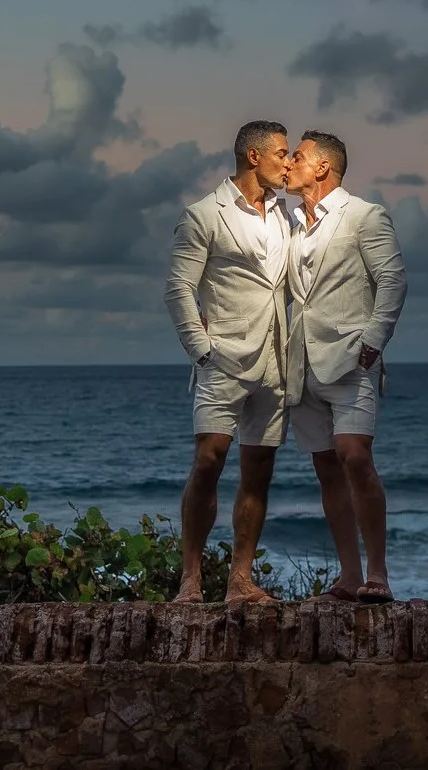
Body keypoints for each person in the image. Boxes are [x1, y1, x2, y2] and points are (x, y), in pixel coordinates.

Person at [163, 119, 298, 604]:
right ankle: (191, 579)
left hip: (276, 360)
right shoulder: (203, 214)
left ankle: (239, 579)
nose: (290, 161)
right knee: (208, 460)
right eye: (282, 153)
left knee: (259, 468)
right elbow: (178, 289)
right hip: (221, 357)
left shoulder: (287, 216)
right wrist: (201, 349)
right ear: (253, 156)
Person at [283, 129, 407, 603]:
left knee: (354, 454)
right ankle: (350, 577)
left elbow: (392, 280)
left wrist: (374, 342)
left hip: (352, 358)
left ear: (322, 167)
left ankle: (379, 574)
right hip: (302, 362)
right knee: (326, 469)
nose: (289, 163)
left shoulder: (364, 215)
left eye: (298, 156)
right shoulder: (291, 224)